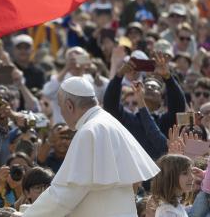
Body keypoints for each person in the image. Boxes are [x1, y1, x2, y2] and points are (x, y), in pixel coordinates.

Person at [23, 77, 159, 216]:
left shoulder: (88, 131)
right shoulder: (110, 122)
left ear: (69, 106)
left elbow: (65, 193)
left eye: (60, 107)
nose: (61, 114)